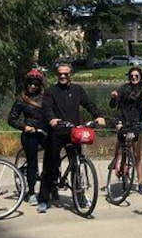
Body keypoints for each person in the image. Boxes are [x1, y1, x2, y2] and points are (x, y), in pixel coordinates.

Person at [37, 63, 105, 214]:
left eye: (66, 74)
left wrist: (98, 115)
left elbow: (88, 104)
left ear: (70, 75)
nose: (63, 76)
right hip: (57, 131)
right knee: (50, 164)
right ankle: (43, 198)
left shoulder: (77, 89)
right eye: (60, 74)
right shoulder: (51, 91)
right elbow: (46, 108)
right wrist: (51, 119)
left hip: (73, 132)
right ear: (57, 75)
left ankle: (79, 195)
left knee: (77, 164)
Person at [8, 69, 48, 205]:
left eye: (35, 84)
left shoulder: (45, 97)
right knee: (33, 163)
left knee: (53, 159)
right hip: (30, 133)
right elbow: (11, 119)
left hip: (44, 131)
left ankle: (51, 186)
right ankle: (31, 192)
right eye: (30, 84)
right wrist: (24, 127)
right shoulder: (21, 99)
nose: (32, 86)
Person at [109, 66, 142, 194]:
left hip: (135, 121)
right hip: (122, 119)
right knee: (121, 135)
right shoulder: (124, 88)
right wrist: (114, 97)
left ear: (140, 77)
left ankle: (140, 183)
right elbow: (112, 105)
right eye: (132, 76)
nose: (133, 78)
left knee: (137, 154)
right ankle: (117, 157)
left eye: (136, 76)